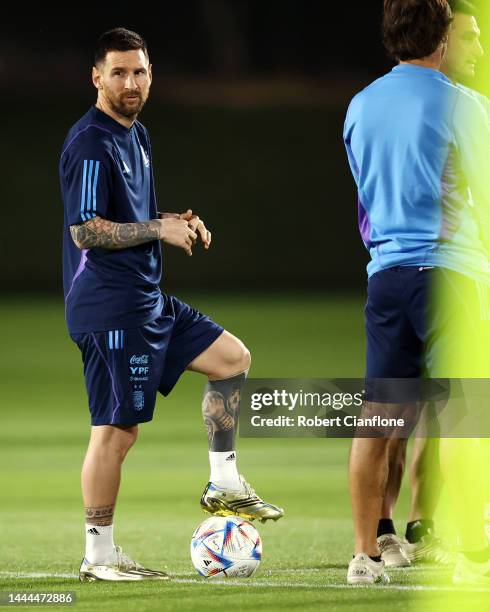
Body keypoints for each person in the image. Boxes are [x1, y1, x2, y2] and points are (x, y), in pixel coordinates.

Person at [59, 27, 283, 583]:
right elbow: (86, 230)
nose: (130, 83)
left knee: (232, 359)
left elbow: (135, 217)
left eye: (140, 72)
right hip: (110, 309)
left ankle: (223, 481)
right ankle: (98, 557)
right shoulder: (91, 141)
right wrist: (158, 229)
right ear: (96, 77)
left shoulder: (137, 135)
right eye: (118, 72)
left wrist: (173, 222)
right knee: (115, 431)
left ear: (150, 75)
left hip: (148, 301)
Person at [343, 0, 490, 585]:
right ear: (442, 37)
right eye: (468, 37)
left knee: (378, 417)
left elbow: (365, 195)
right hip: (451, 276)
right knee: (462, 415)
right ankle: (456, 546)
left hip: (386, 278)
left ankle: (364, 555)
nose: (475, 49)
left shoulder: (360, 105)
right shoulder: (464, 105)